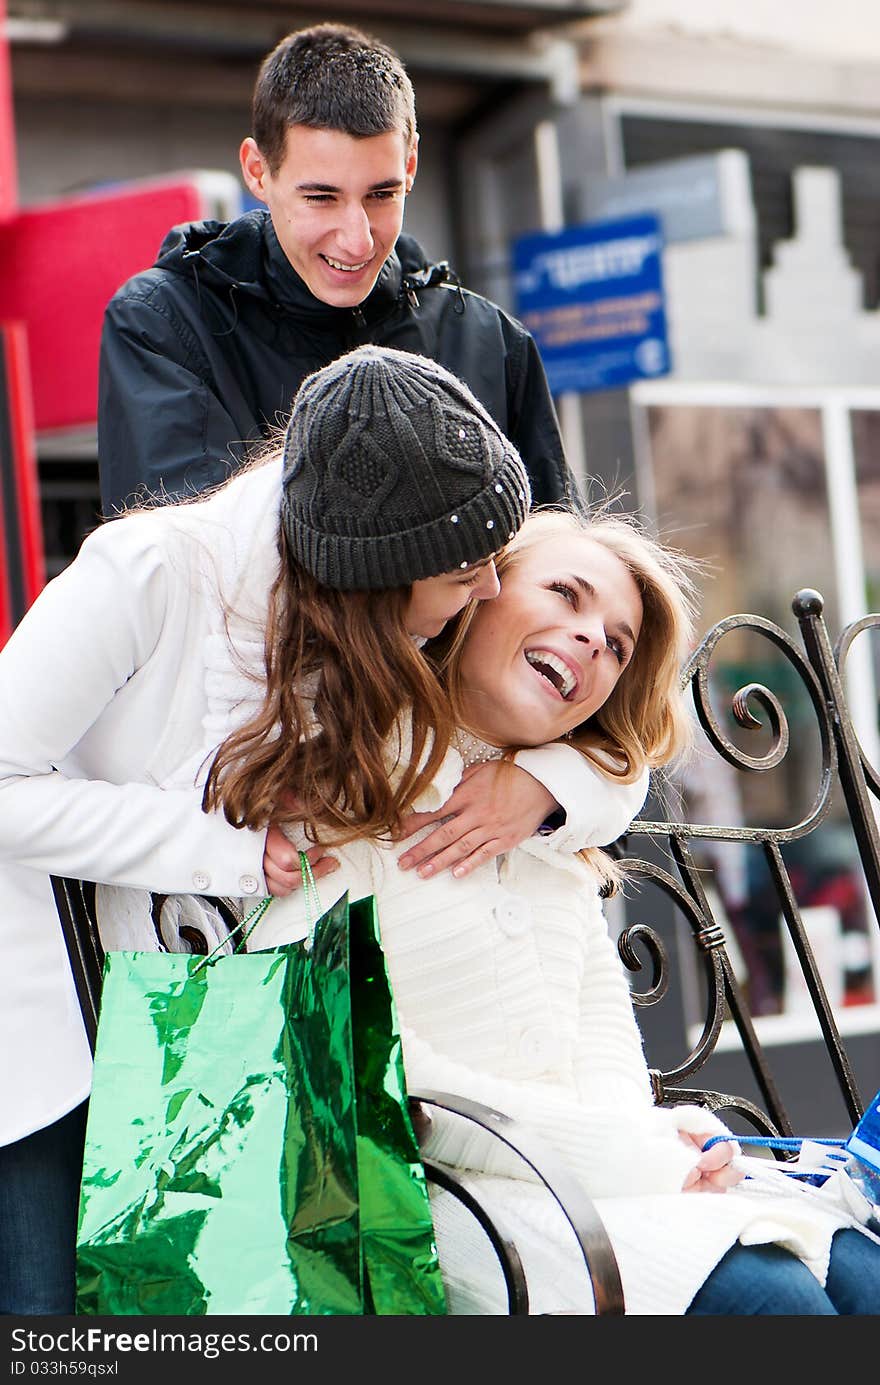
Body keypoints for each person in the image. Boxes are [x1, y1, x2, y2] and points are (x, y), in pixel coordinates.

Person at [0, 347, 644, 1316]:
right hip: (51, 1023)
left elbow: (601, 722)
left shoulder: (374, 618)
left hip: (236, 1039)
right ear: (384, 568)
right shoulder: (153, 571)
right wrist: (222, 847)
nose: (484, 593)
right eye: (471, 571)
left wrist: (550, 781)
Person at [229, 507, 880, 1315]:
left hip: (583, 1189)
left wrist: (654, 1141)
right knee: (769, 1298)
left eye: (616, 644)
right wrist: (625, 1154)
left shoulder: (557, 834)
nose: (590, 642)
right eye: (564, 595)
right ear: (473, 594)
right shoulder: (342, 793)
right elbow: (372, 1073)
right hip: (441, 1204)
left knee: (857, 1266)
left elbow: (602, 1035)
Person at [97, 21, 574, 518]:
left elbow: (551, 563)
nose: (358, 238)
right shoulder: (162, 326)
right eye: (322, 198)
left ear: (410, 165)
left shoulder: (490, 343)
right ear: (258, 171)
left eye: (382, 194)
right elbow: (189, 567)